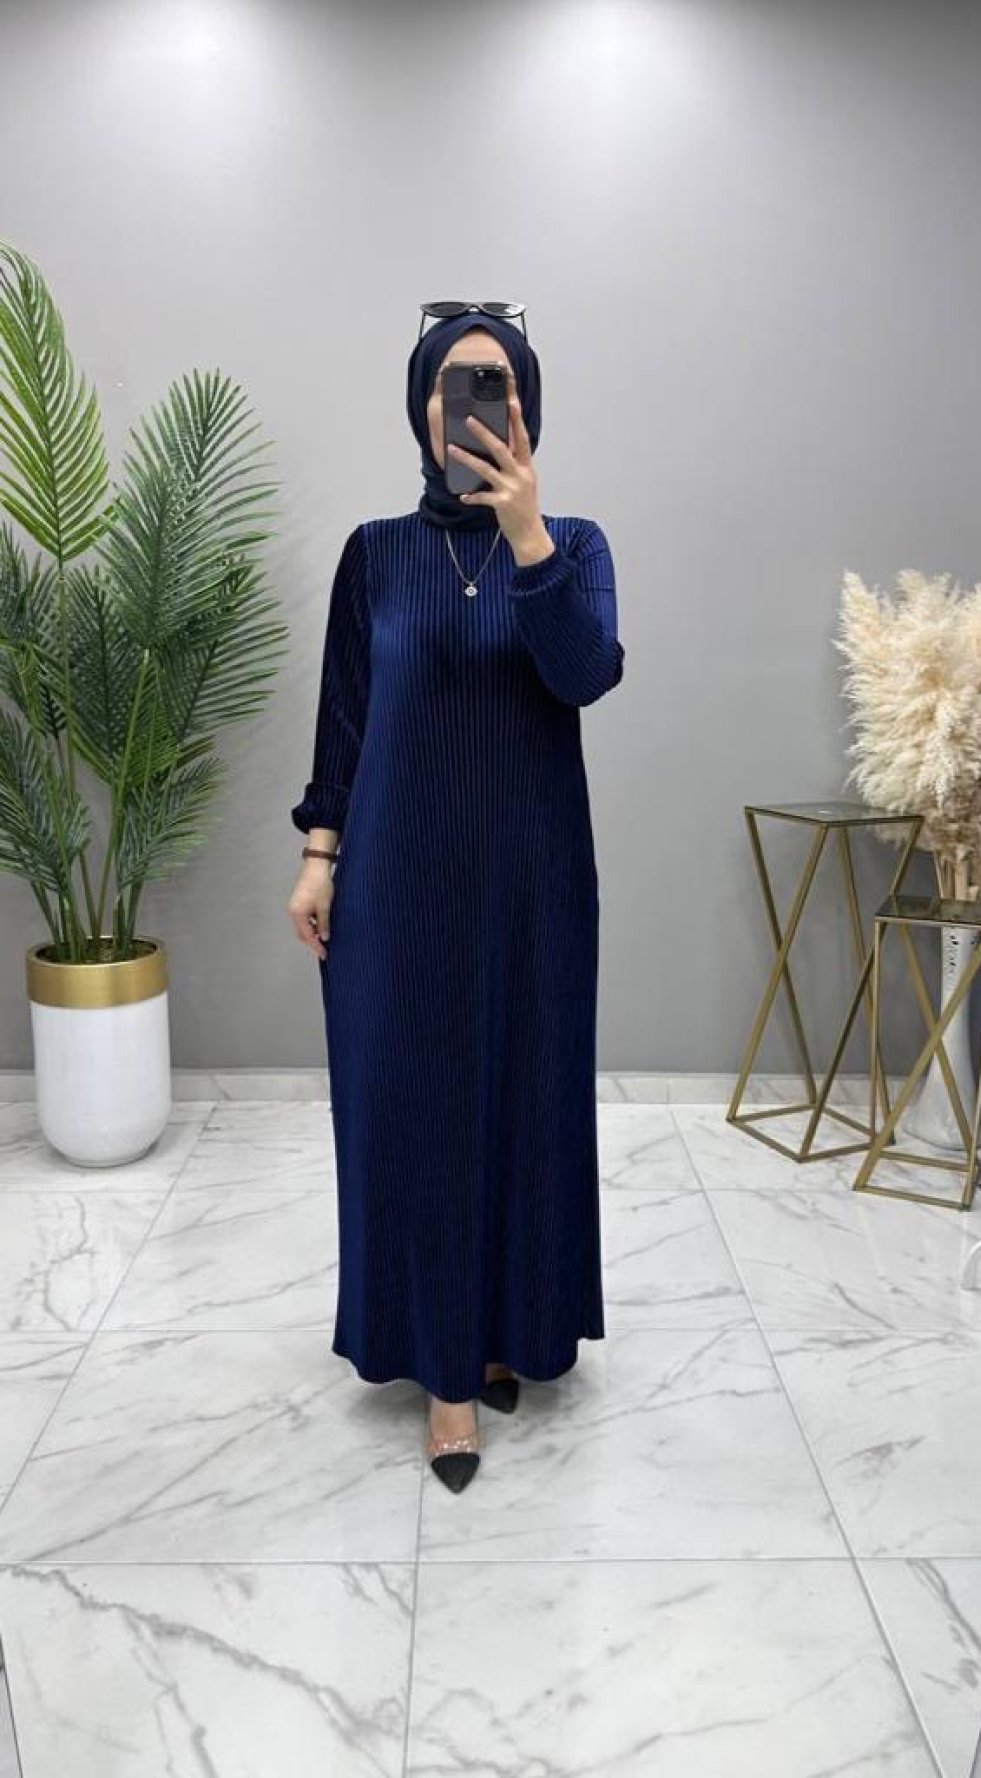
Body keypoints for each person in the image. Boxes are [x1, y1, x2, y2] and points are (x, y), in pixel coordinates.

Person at [288, 301, 624, 1492]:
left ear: (527, 406)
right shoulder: (376, 553)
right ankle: (443, 1376)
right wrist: (319, 852)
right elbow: (345, 712)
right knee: (417, 1105)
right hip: (399, 881)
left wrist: (526, 534)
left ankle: (502, 1326)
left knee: (524, 1094)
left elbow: (584, 672)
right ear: (421, 407)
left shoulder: (574, 543)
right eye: (454, 384)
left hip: (534, 882)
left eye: (499, 384)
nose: (477, 404)